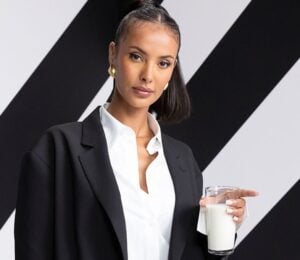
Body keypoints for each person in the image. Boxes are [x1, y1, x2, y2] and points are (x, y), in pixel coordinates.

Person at [14, 1, 258, 260]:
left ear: (172, 70)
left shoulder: (182, 160)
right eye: (136, 56)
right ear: (113, 55)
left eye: (163, 63)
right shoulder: (58, 148)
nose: (148, 75)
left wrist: (221, 225)